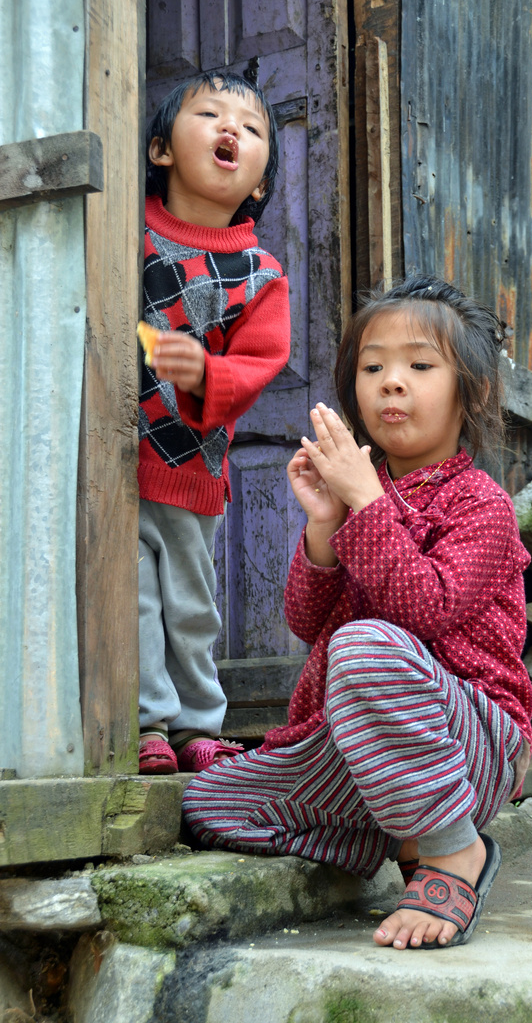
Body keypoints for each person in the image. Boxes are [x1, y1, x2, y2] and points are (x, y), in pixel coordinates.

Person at [182, 276, 532, 949]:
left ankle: (455, 849)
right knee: (209, 804)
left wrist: (366, 503)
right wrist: (323, 524)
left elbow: (421, 608)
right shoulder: (358, 496)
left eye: (418, 366)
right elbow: (307, 622)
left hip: (467, 742)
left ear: (475, 391)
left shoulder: (480, 505)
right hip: (360, 748)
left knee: (367, 647)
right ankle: (395, 827)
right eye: (372, 367)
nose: (390, 383)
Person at [137, 69, 290, 775]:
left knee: (189, 606)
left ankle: (200, 723)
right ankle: (146, 725)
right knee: (131, 600)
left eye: (251, 127)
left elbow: (260, 361)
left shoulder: (260, 274)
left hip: (191, 467)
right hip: (112, 462)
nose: (231, 128)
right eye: (210, 114)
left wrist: (206, 374)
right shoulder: (125, 237)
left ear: (257, 184)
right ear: (162, 150)